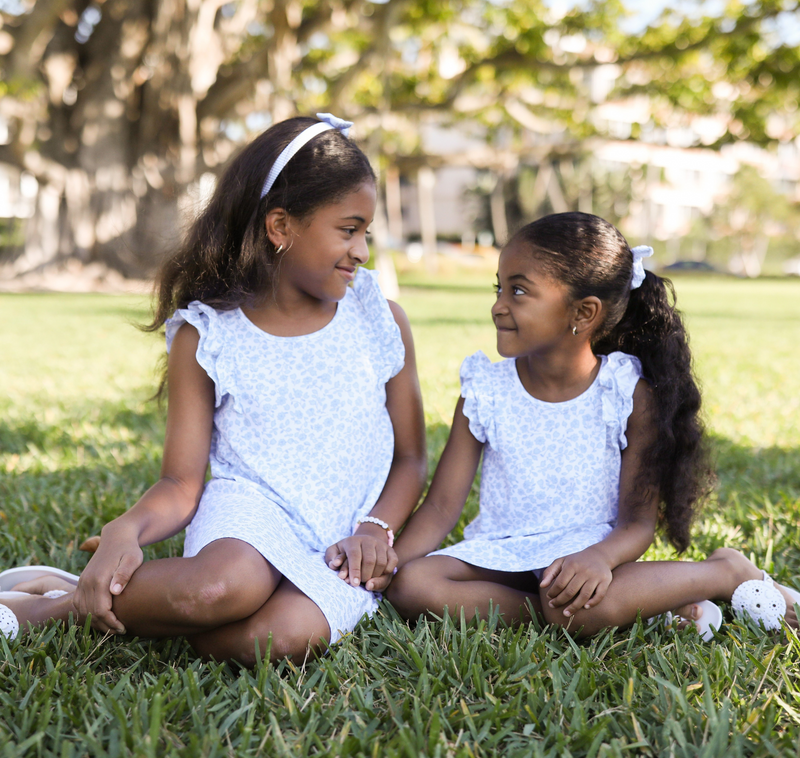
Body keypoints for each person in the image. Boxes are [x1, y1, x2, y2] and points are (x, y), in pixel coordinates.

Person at [0, 114, 427, 663]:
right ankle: (40, 611)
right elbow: (181, 482)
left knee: (273, 640)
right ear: (281, 227)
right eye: (348, 229)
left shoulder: (378, 318)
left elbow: (412, 458)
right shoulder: (210, 335)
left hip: (345, 535)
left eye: (366, 231)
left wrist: (376, 528)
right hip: (249, 512)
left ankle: (88, 594)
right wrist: (125, 529)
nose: (362, 250)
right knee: (219, 590)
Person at [380, 213, 799, 637]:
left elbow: (636, 523)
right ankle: (644, 603)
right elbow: (440, 507)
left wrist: (599, 559)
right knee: (414, 585)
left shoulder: (625, 393)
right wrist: (391, 565)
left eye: (519, 291)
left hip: (591, 553)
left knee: (573, 610)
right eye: (499, 288)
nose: (498, 305)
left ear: (583, 312)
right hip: (503, 552)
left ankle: (723, 572)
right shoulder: (484, 389)